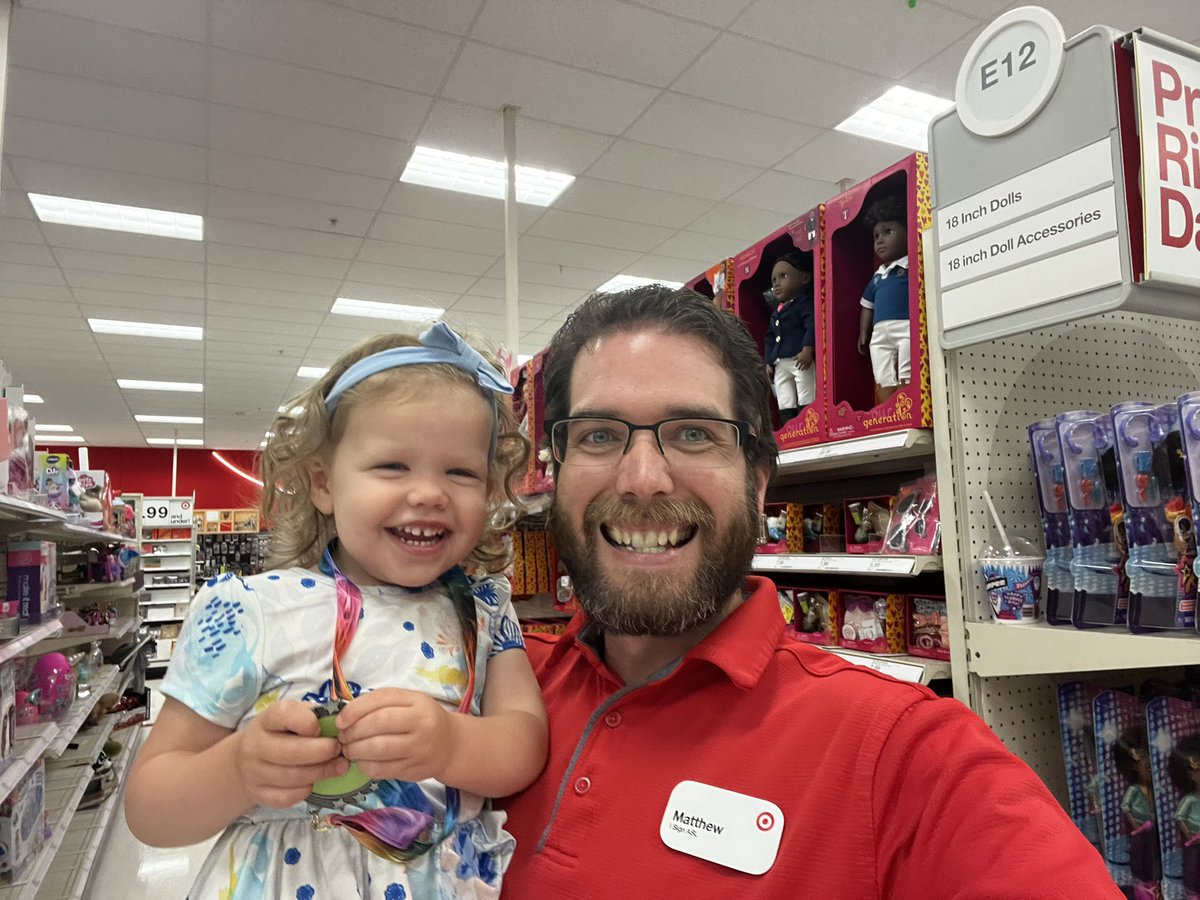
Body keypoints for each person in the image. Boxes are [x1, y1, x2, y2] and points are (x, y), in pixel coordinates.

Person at [499, 284, 1121, 898]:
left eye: (693, 433)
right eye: (599, 436)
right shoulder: (481, 690)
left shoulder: (904, 755)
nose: (642, 479)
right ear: (555, 470)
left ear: (759, 482)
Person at [125, 323, 549, 899]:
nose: (429, 493)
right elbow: (149, 809)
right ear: (324, 484)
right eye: (393, 466)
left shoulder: (486, 610)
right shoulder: (249, 610)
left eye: (461, 472)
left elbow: (525, 742)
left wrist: (453, 746)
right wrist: (237, 768)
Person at [858, 195, 910, 405]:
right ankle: (886, 410)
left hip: (906, 326)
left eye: (888, 232)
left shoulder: (910, 268)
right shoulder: (878, 276)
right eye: (876, 235)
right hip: (879, 333)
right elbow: (866, 305)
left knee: (908, 368)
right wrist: (864, 332)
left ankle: (907, 404)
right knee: (881, 370)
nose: (879, 240)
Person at [762, 251, 815, 426]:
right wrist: (769, 361)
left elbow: (812, 325)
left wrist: (808, 348)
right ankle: (788, 425)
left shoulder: (804, 304)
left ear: (805, 278)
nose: (777, 283)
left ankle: (807, 422)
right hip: (779, 362)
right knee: (784, 394)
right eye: (774, 280)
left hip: (798, 357)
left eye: (783, 276)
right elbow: (770, 337)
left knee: (804, 387)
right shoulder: (777, 311)